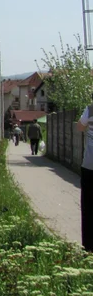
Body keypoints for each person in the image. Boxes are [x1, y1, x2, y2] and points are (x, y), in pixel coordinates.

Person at [77, 95, 93, 252]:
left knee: (88, 207)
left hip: (90, 166)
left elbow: (79, 127)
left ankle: (88, 247)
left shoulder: (90, 109)